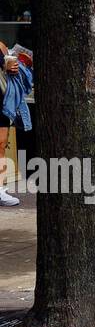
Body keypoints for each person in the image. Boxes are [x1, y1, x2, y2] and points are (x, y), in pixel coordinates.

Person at [0, 42, 32, 206]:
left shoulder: (1, 46)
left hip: (2, 101)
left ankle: (0, 190)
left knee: (1, 144)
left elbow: (8, 64)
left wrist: (12, 68)